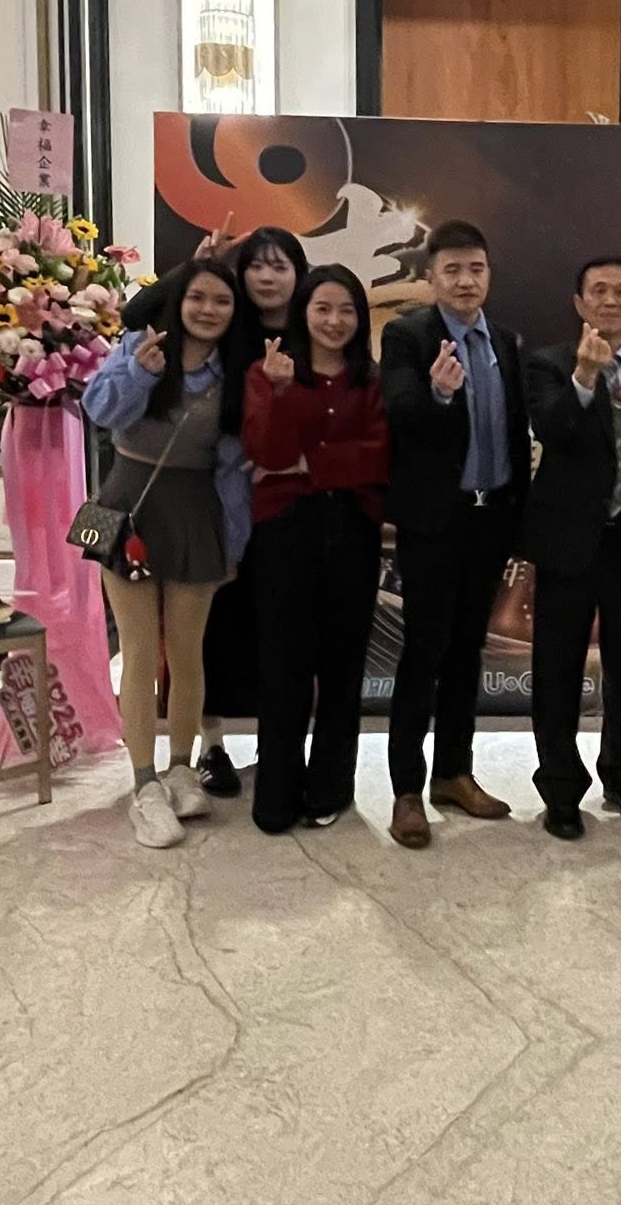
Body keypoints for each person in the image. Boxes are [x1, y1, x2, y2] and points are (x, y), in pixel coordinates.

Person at [123, 217, 311, 796]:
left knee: (281, 629)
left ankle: (283, 749)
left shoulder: (313, 328)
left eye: (280, 266)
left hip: (286, 504)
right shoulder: (226, 323)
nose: (267, 277)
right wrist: (198, 263)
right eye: (256, 264)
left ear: (299, 274)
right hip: (211, 503)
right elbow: (136, 316)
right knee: (209, 634)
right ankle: (211, 747)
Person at [83, 259, 253, 849]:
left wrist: (234, 543)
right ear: (179, 301)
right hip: (127, 502)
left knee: (186, 652)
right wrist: (139, 373)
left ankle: (182, 769)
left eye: (222, 301)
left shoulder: (237, 372)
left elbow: (235, 469)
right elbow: (99, 411)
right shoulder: (140, 344)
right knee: (137, 652)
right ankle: (143, 783)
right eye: (197, 297)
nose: (208, 310)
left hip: (196, 511)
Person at [378, 219, 532, 849]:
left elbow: (517, 434)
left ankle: (454, 774)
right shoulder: (408, 335)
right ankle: (406, 790)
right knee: (424, 651)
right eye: (453, 270)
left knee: (469, 651)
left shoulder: (507, 340)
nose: (466, 281)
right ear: (431, 277)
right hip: (434, 522)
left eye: (476, 269)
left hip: (490, 519)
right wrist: (438, 395)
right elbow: (397, 412)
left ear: (489, 273)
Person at [522, 255, 621, 841]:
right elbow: (553, 430)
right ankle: (561, 791)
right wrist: (585, 378)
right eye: (598, 290)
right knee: (557, 672)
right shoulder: (547, 364)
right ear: (579, 303)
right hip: (568, 546)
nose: (610, 300)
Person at [242, 265, 389, 833]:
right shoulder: (268, 371)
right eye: (322, 308)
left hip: (353, 528)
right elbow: (266, 452)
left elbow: (381, 454)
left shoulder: (371, 380)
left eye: (346, 310)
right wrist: (279, 394)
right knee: (284, 664)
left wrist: (312, 463)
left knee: (343, 665)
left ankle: (330, 786)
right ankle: (277, 791)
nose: (334, 321)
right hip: (285, 530)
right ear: (303, 312)